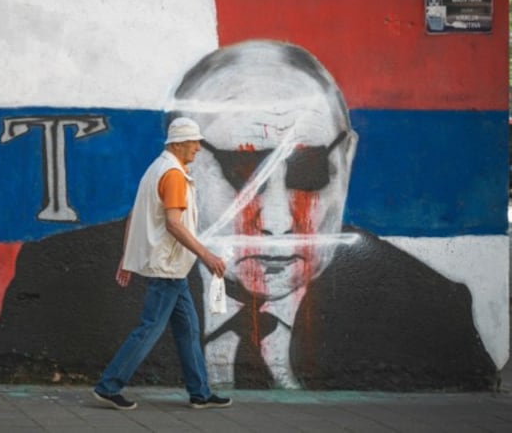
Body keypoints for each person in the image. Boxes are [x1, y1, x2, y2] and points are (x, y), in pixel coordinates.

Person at [170, 39, 497, 390]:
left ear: (346, 160)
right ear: (187, 160)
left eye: (310, 171)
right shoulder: (118, 279)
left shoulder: (429, 306)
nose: (277, 224)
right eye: (241, 170)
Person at [92, 117, 232, 410]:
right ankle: (109, 386)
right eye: (194, 142)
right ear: (179, 143)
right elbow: (173, 224)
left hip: (171, 268)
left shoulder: (156, 169)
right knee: (149, 328)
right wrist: (206, 255)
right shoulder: (173, 175)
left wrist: (127, 257)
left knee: (188, 329)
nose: (197, 148)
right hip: (167, 267)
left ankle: (200, 393)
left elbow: (135, 214)